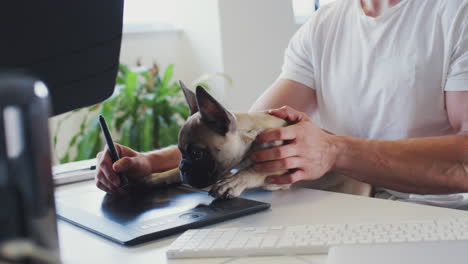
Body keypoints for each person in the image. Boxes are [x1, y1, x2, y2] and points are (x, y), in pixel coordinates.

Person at [96, 0, 468, 208]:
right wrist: (148, 164)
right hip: (341, 209)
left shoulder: (456, 15)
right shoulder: (323, 27)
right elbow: (241, 136)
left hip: (432, 213)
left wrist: (334, 150)